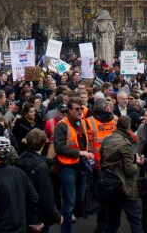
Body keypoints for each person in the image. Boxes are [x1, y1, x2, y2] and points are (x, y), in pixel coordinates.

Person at [53, 99, 94, 233]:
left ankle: (67, 214)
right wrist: (79, 152)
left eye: (81, 108)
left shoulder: (82, 122)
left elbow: (86, 141)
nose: (80, 111)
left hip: (81, 166)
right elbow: (58, 148)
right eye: (77, 109)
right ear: (69, 110)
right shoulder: (62, 125)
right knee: (69, 203)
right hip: (68, 167)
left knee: (80, 198)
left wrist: (89, 152)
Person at [100, 116, 142, 233]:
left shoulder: (106, 139)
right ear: (128, 127)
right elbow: (129, 170)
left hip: (109, 185)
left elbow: (102, 161)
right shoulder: (125, 144)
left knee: (113, 221)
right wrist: (138, 164)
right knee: (135, 221)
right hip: (125, 187)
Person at [15, 129, 61, 233]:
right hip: (38, 216)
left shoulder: (19, 160)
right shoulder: (41, 167)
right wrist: (57, 216)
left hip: (23, 212)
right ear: (44, 144)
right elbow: (46, 196)